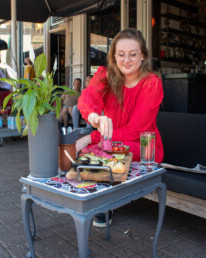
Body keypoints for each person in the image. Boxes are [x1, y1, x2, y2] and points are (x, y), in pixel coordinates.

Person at [76, 28, 164, 227]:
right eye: (121, 54)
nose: (126, 60)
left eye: (133, 54)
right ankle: (98, 200)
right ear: (114, 56)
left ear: (142, 55)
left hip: (143, 145)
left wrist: (92, 137)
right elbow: (87, 97)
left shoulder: (151, 83)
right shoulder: (106, 76)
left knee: (99, 150)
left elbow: (136, 130)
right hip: (112, 140)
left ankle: (104, 205)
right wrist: (93, 115)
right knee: (94, 152)